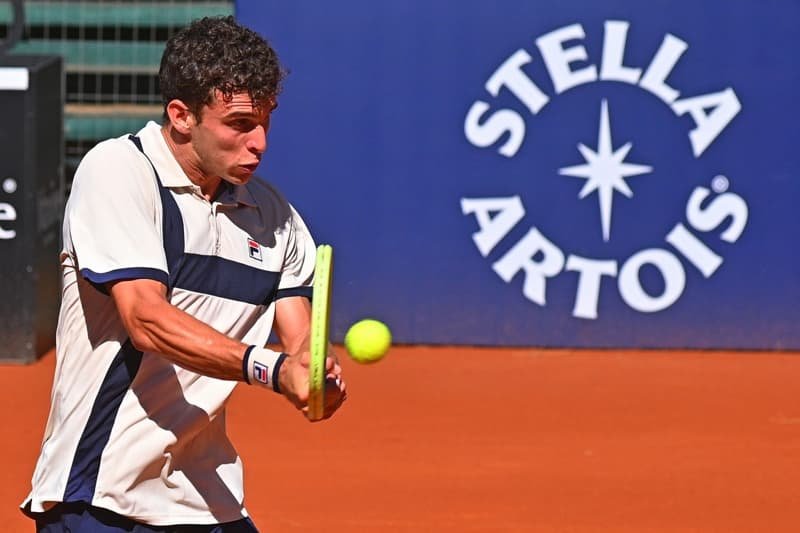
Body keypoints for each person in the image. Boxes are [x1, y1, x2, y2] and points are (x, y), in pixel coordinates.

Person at [21, 15, 347, 532]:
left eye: (266, 121)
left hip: (206, 499)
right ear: (181, 116)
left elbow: (300, 333)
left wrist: (313, 373)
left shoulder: (274, 216)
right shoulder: (119, 171)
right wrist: (271, 369)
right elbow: (145, 319)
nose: (260, 142)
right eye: (239, 123)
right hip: (100, 493)